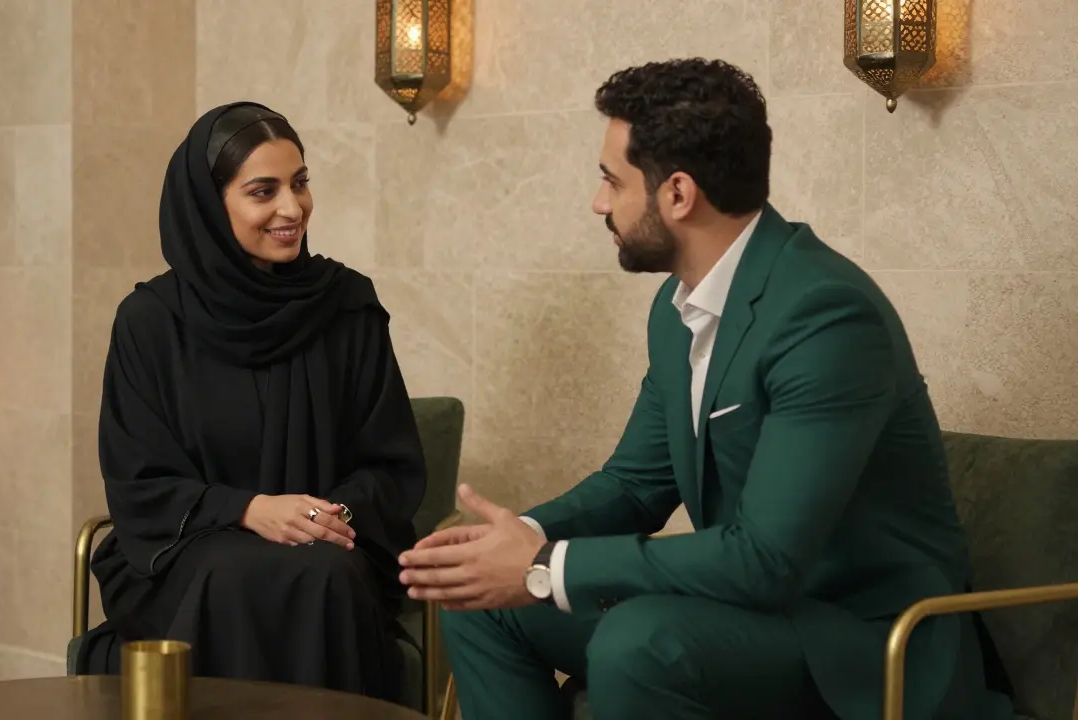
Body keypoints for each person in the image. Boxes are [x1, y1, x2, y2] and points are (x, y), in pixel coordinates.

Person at [398, 59, 1014, 720]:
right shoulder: (678, 311)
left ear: (679, 194)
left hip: (865, 640)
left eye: (612, 180)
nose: (599, 203)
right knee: (477, 602)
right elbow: (635, 486)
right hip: (750, 611)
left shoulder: (826, 316)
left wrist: (548, 565)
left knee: (639, 642)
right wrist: (517, 540)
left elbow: (766, 557)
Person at [86, 101, 427, 702]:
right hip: (186, 554)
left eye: (300, 183)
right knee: (231, 572)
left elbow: (390, 467)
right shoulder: (150, 322)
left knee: (317, 572)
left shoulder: (347, 308)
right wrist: (248, 510)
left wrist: (323, 518)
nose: (292, 209)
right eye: (263, 191)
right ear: (209, 205)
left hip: (327, 550)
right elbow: (139, 479)